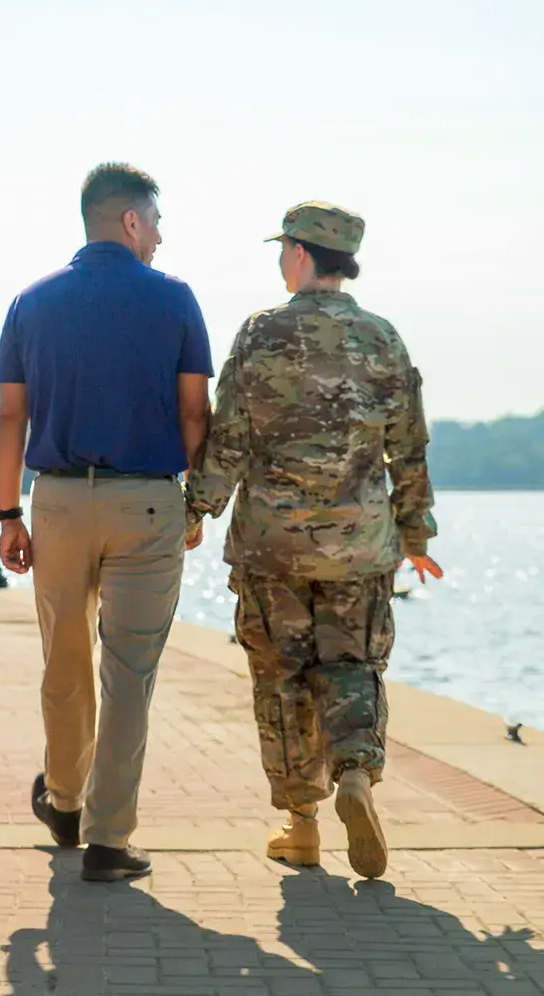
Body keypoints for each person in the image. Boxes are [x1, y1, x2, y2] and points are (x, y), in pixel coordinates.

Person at [184, 201, 443, 880]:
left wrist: (198, 508)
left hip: (272, 546)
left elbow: (230, 437)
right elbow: (407, 449)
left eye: (283, 248)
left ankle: (302, 827)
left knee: (282, 679)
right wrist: (414, 532)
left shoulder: (261, 333)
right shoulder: (383, 339)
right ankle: (356, 771)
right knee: (354, 665)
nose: (279, 260)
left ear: (300, 254)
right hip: (360, 544)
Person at [0, 162, 214, 881]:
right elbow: (192, 413)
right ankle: (110, 842)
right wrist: (196, 501)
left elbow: (11, 417)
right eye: (155, 222)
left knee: (64, 662)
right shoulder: (175, 299)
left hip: (55, 502)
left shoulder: (31, 301)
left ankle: (62, 801)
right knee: (129, 675)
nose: (160, 236)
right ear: (130, 221)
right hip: (147, 499)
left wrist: (7, 514)